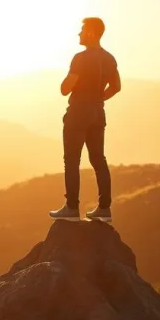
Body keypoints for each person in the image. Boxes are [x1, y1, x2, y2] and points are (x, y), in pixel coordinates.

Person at [49, 17, 120, 222]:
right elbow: (116, 87)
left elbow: (64, 89)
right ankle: (104, 208)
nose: (78, 34)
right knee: (98, 159)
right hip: (98, 113)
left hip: (78, 112)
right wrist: (98, 99)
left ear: (90, 33)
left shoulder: (80, 58)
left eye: (81, 30)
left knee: (71, 160)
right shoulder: (109, 58)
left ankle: (72, 208)